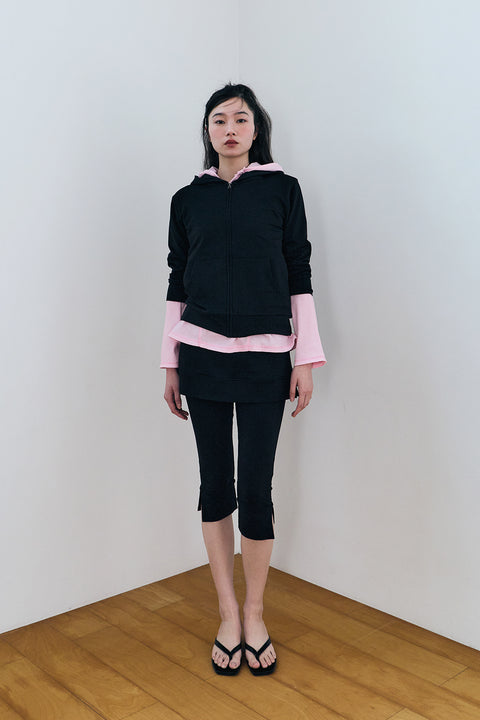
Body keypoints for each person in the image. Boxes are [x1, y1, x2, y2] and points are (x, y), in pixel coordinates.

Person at [160, 82, 326, 676]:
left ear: (257, 129)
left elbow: (299, 270)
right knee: (215, 487)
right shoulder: (187, 199)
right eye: (218, 120)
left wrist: (304, 358)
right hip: (201, 357)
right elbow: (177, 277)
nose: (229, 129)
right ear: (207, 132)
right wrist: (170, 361)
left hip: (266, 358)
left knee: (256, 490)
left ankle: (255, 612)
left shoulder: (283, 190)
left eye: (240, 119)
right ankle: (227, 613)